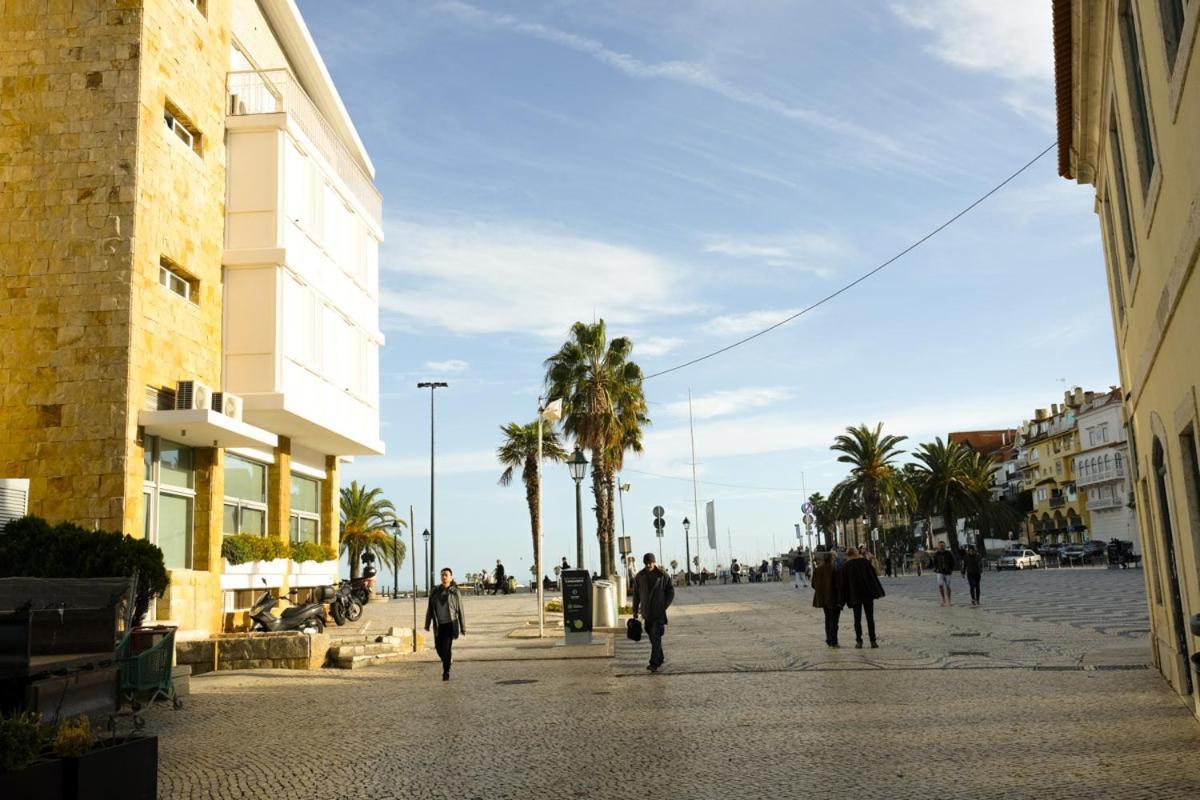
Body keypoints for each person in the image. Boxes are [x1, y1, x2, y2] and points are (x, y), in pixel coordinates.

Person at [632, 552, 675, 672]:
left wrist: (664, 605)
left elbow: (671, 591)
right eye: (646, 563)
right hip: (646, 613)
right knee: (652, 637)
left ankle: (654, 663)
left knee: (656, 636)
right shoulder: (639, 576)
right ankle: (660, 657)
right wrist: (635, 609)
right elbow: (636, 595)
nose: (649, 565)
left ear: (654, 562)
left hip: (659, 612)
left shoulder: (662, 575)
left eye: (650, 562)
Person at [424, 567, 466, 681]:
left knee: (447, 648)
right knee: (438, 647)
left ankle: (446, 671)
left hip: (450, 624)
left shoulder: (455, 592)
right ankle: (448, 661)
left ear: (451, 577)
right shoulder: (434, 591)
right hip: (439, 625)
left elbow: (460, 610)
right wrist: (427, 623)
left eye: (446, 575)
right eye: (442, 575)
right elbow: (430, 609)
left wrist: (463, 627)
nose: (443, 577)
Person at [840, 547, 885, 648]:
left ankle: (859, 641)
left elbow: (843, 584)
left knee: (857, 619)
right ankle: (873, 641)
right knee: (870, 618)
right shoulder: (865, 563)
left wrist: (844, 599)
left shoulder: (846, 566)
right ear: (856, 553)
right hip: (867, 595)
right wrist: (876, 592)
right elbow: (873, 577)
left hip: (855, 596)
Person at [811, 551, 843, 648]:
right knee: (834, 621)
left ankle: (829, 640)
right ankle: (834, 641)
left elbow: (813, 584)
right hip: (833, 598)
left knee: (827, 619)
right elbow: (838, 584)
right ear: (831, 558)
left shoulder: (817, 569)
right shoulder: (834, 569)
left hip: (823, 598)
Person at [932, 542, 956, 606]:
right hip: (940, 572)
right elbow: (934, 562)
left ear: (944, 546)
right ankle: (943, 599)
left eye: (943, 545)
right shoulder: (936, 554)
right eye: (940, 545)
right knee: (940, 585)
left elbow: (953, 562)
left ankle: (949, 600)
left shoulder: (948, 553)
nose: (942, 547)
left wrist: (951, 569)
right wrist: (936, 569)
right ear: (938, 546)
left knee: (948, 586)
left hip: (948, 572)